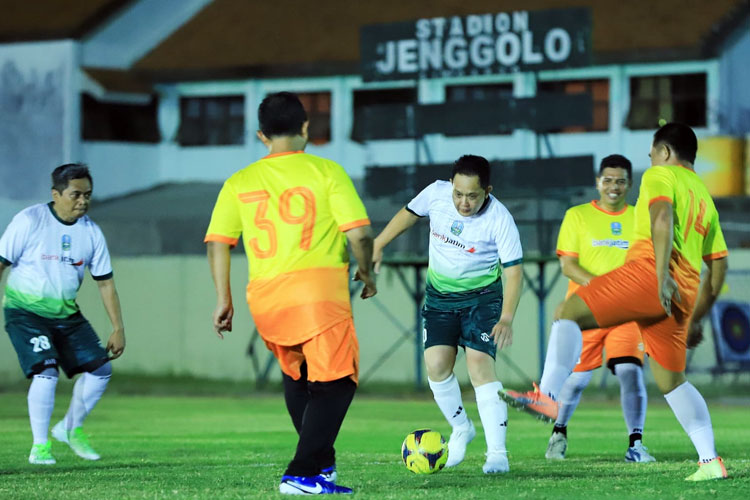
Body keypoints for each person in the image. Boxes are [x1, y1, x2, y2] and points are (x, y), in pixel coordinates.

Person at [502, 123, 729, 481]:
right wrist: (697, 316)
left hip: (650, 276)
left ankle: (546, 395)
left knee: (568, 313)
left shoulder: (660, 174)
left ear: (666, 153)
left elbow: (661, 217)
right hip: (682, 294)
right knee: (673, 382)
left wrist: (658, 276)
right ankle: (710, 462)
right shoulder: (705, 197)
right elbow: (718, 266)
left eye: (653, 152)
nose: (650, 158)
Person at [205, 92, 376, 496]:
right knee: (338, 381)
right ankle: (300, 473)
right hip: (317, 293)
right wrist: (366, 272)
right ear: (305, 128)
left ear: (261, 135)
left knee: (297, 375)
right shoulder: (326, 171)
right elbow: (361, 233)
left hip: (265, 296)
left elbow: (218, 242)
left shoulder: (239, 181)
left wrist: (223, 299)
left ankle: (321, 467)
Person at [373, 155, 523, 474]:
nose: (463, 202)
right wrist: (378, 244)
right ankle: (462, 427)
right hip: (440, 299)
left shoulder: (500, 219)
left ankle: (497, 453)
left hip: (481, 299)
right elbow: (409, 214)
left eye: (472, 195)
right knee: (437, 365)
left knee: (479, 365)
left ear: (487, 191)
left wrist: (507, 317)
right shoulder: (436, 193)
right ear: (451, 185)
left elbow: (513, 273)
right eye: (458, 193)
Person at [0, 163, 125, 465]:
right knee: (46, 373)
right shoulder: (30, 220)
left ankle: (68, 428)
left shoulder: (91, 232)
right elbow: (2, 263)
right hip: (24, 312)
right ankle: (39, 446)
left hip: (66, 314)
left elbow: (105, 282)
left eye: (88, 195)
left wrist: (118, 327)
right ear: (56, 194)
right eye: (75, 194)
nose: (82, 201)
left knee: (101, 370)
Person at [547, 154, 655, 463]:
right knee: (577, 379)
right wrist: (606, 291)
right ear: (598, 182)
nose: (613, 186)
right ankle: (559, 432)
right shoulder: (577, 216)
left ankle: (636, 444)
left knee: (629, 372)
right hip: (586, 312)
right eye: (607, 180)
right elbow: (568, 266)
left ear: (629, 185)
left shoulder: (641, 219)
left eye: (620, 181)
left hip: (626, 314)